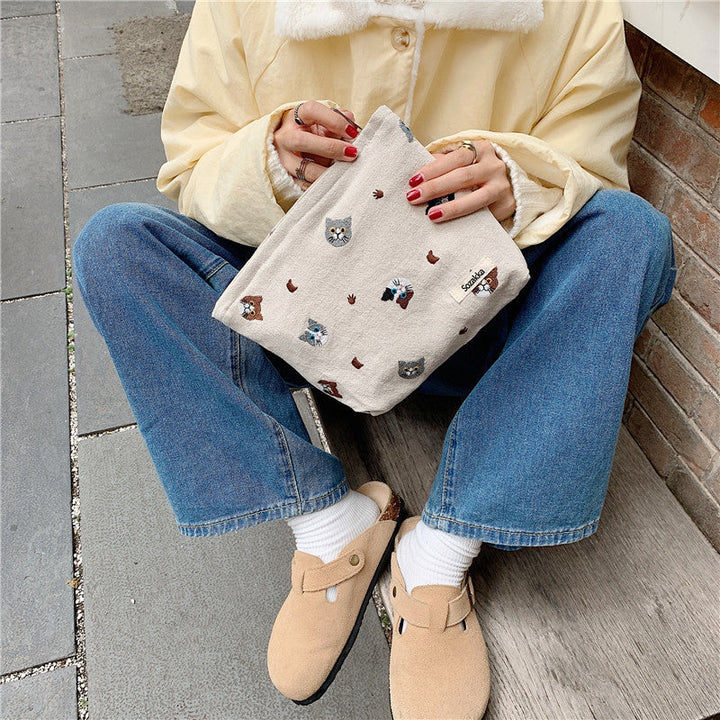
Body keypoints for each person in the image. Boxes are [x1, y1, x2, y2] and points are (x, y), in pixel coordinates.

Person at [73, 1, 676, 717]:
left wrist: (523, 180)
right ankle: (328, 525)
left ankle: (440, 554)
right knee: (116, 245)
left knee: (631, 235)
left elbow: (594, 168)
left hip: (480, 329)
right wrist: (270, 164)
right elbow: (192, 161)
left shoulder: (575, 8)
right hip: (303, 327)